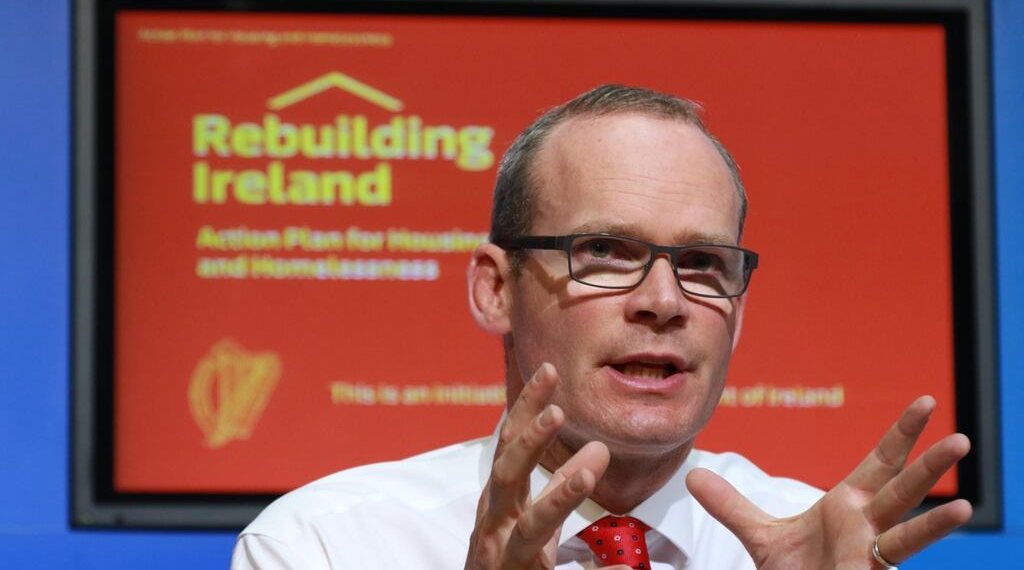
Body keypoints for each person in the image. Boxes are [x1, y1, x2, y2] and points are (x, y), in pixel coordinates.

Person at [230, 85, 972, 569]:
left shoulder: (819, 544)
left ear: (739, 311)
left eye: (702, 263)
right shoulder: (326, 543)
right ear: (496, 289)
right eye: (606, 253)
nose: (664, 300)